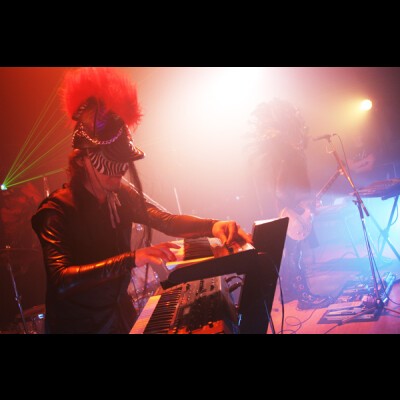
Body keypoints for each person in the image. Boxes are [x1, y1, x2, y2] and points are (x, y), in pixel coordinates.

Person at [31, 67, 252, 334]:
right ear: (82, 159)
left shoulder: (119, 195)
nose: (120, 169)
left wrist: (213, 225)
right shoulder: (55, 212)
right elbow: (62, 279)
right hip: (77, 327)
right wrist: (132, 259)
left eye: (122, 160)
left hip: (118, 315)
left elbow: (165, 220)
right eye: (110, 160)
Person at [247, 98, 332, 310]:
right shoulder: (284, 153)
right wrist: (294, 205)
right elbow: (280, 187)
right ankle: (304, 297)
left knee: (288, 252)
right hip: (289, 210)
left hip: (285, 208)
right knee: (294, 253)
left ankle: (291, 291)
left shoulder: (280, 152)